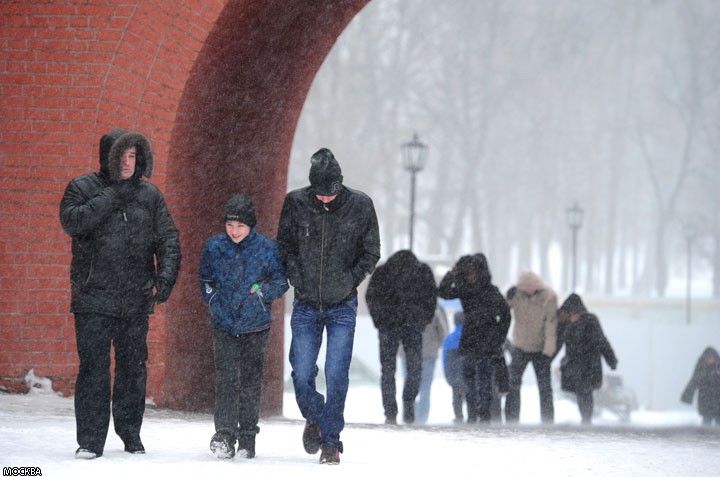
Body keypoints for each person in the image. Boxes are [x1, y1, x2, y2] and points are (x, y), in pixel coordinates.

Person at [59, 130, 181, 459]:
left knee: (132, 369)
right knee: (94, 370)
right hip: (92, 298)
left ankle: (130, 434)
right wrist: (113, 195)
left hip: (135, 299)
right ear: (107, 158)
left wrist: (165, 277)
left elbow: (168, 239)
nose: (127, 163)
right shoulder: (82, 188)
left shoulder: (150, 196)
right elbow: (72, 222)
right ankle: (90, 440)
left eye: (132, 156)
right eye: (121, 156)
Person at [277, 148, 380, 464]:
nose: (324, 200)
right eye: (319, 194)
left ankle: (331, 441)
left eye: (330, 194)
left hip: (342, 304)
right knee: (302, 369)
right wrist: (296, 275)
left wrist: (351, 279)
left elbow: (371, 251)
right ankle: (316, 417)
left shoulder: (360, 206)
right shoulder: (296, 203)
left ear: (340, 185)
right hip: (306, 301)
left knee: (337, 373)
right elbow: (284, 247)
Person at [199, 193, 288, 459]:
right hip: (224, 322)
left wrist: (260, 294)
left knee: (250, 381)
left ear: (251, 226)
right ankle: (225, 434)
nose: (234, 231)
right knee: (226, 379)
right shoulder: (214, 247)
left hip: (255, 324)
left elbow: (280, 281)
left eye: (240, 226)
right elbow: (205, 279)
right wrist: (213, 299)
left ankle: (248, 437)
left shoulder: (267, 249)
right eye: (230, 225)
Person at [365, 250, 437, 425]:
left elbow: (371, 297)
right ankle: (406, 403)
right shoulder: (421, 272)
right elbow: (431, 297)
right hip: (409, 325)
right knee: (413, 369)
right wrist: (423, 320)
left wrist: (380, 320)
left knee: (389, 371)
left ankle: (391, 411)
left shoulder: (383, 272)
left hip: (392, 325)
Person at [438, 254, 510, 424]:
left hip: (485, 342)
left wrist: (498, 337)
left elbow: (505, 316)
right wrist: (452, 273)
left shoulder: (490, 291)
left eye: (472, 272)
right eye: (467, 273)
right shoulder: (467, 290)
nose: (470, 276)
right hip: (471, 340)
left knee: (483, 381)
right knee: (470, 381)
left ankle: (483, 415)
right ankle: (472, 414)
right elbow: (443, 292)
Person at [504, 271, 558, 424]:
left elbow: (551, 323)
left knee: (545, 388)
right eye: (525, 288)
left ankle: (548, 422)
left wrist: (549, 348)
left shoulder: (548, 297)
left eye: (531, 287)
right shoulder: (516, 295)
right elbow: (501, 310)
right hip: (519, 347)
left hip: (540, 349)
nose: (528, 290)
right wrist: (507, 297)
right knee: (512, 385)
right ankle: (511, 420)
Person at [556, 293, 618, 425]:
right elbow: (557, 342)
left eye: (573, 313)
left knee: (585, 393)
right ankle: (586, 421)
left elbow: (602, 341)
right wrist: (548, 359)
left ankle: (586, 422)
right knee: (581, 394)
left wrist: (611, 359)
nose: (572, 317)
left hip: (589, 365)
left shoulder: (590, 321)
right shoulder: (566, 323)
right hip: (574, 366)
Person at [415, 305, 448, 424]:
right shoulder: (435, 309)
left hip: (410, 353)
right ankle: (422, 418)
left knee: (410, 384)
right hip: (429, 353)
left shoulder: (408, 305)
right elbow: (443, 332)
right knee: (425, 386)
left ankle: (411, 414)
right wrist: (436, 345)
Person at [681, 346, 720, 426]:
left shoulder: (717, 369)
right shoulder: (701, 369)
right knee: (707, 421)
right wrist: (687, 396)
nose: (710, 360)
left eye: (712, 358)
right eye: (708, 358)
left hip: (717, 402)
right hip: (705, 401)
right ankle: (705, 437)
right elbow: (693, 381)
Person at [442, 311, 466, 424]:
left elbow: (444, 359)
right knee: (470, 393)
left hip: (453, 373)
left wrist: (447, 373)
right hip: (466, 372)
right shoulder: (470, 337)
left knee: (457, 395)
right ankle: (473, 414)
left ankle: (459, 416)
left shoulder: (449, 338)